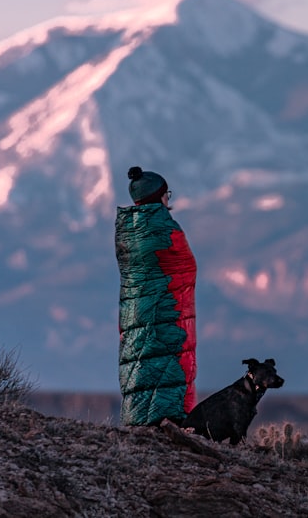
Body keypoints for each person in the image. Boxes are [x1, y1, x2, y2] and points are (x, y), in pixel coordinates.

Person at [115, 166, 197, 426]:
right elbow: (183, 265)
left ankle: (138, 419)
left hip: (135, 311)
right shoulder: (162, 228)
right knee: (166, 361)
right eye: (166, 194)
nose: (167, 199)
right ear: (158, 196)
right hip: (167, 310)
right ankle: (169, 420)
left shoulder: (128, 229)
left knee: (140, 361)